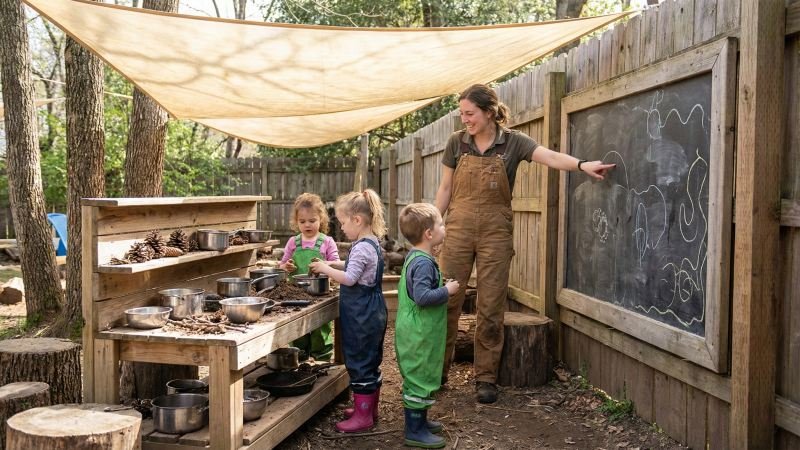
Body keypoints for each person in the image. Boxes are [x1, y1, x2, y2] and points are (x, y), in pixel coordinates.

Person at [435, 83, 615, 404]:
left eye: (470, 113)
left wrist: (582, 165)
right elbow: (446, 189)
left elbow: (550, 156)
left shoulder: (514, 143)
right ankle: (437, 373)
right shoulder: (455, 143)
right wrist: (434, 225)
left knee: (491, 307)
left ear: (489, 112)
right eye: (462, 113)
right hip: (457, 231)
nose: (465, 119)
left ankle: (486, 377)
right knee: (446, 301)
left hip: (496, 235)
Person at [309, 189, 388, 433]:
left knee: (359, 360)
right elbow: (356, 267)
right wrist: (333, 263)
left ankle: (363, 417)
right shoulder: (370, 242)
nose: (341, 228)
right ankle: (367, 409)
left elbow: (351, 278)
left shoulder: (362, 247)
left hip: (361, 313)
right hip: (373, 309)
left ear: (357, 220)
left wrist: (325, 268)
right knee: (370, 360)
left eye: (343, 222)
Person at [394, 203, 459, 448]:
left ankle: (420, 420)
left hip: (418, 331)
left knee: (421, 377)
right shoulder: (423, 263)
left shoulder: (416, 256)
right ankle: (414, 430)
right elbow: (422, 297)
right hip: (418, 334)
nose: (445, 227)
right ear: (428, 234)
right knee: (418, 379)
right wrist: (447, 290)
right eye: (441, 224)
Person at [278, 193, 338, 362]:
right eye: (302, 222)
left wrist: (324, 265)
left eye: (312, 220)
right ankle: (301, 357)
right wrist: (286, 266)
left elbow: (334, 263)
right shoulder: (293, 242)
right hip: (296, 294)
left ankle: (322, 358)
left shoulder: (326, 242)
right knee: (298, 328)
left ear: (321, 219)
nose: (307, 225)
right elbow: (282, 265)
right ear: (296, 222)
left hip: (320, 293)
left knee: (320, 327)